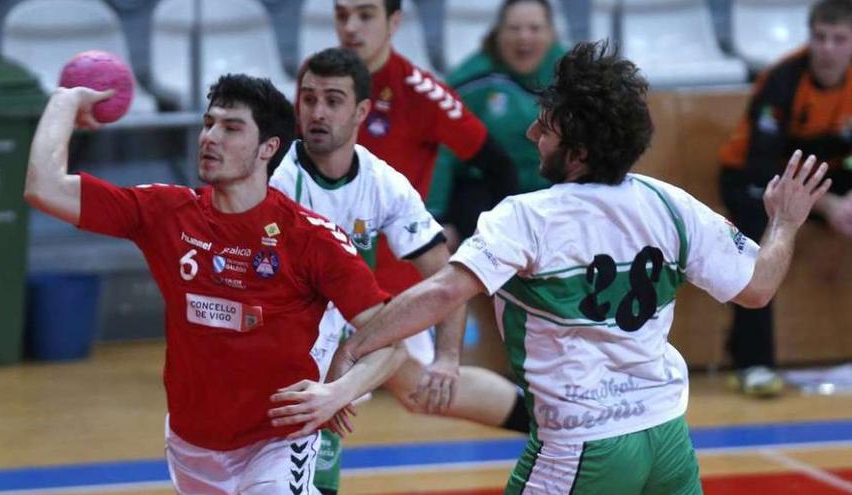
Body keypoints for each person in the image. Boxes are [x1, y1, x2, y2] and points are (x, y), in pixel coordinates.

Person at [282, 41, 831, 494]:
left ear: (579, 149)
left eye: (544, 127)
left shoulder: (528, 217)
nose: (529, 135)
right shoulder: (669, 204)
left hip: (583, 447)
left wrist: (352, 348)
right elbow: (758, 287)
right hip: (667, 439)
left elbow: (441, 292)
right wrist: (783, 222)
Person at [23, 74, 407, 494]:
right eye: (209, 123)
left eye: (231, 128)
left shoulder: (311, 238)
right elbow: (44, 188)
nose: (210, 137)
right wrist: (64, 100)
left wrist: (338, 393)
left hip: (278, 441)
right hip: (193, 447)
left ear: (268, 148)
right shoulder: (165, 212)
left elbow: (391, 340)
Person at [278, 47, 528, 495]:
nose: (317, 112)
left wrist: (448, 358)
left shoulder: (384, 182)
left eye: (332, 100)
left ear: (361, 112)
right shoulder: (276, 177)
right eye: (308, 99)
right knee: (313, 407)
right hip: (288, 330)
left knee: (421, 388)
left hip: (358, 324)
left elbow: (446, 273)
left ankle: (555, 424)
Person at [332, 0, 519, 301]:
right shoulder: (314, 81)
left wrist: (477, 242)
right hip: (325, 284)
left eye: (365, 15)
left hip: (397, 292)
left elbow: (500, 167)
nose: (350, 27)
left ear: (394, 23)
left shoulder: (421, 94)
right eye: (342, 15)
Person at [718, 0, 852, 397]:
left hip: (825, 175)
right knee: (757, 238)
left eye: (839, 39)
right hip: (756, 179)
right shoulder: (782, 80)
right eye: (820, 38)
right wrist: (827, 205)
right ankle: (752, 363)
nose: (827, 48)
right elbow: (761, 164)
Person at [430, 0, 567, 241]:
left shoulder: (575, 75)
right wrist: (435, 219)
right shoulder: (472, 80)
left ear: (551, 34)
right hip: (487, 200)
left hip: (553, 196)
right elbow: (442, 149)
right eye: (514, 29)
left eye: (534, 28)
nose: (524, 37)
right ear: (498, 33)